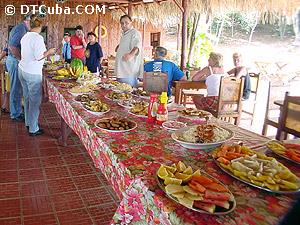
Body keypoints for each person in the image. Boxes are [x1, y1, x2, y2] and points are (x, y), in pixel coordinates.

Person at [18, 15, 56, 136]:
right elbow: (39, 56)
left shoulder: (25, 36)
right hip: (32, 73)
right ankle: (33, 128)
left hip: (22, 70)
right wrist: (49, 52)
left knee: (27, 98)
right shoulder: (37, 38)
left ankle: (29, 122)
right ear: (39, 26)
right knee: (34, 101)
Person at [6, 13, 32, 122]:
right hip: (15, 61)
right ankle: (15, 114)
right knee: (15, 88)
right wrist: (22, 59)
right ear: (28, 21)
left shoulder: (21, 28)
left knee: (17, 88)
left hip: (14, 60)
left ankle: (17, 111)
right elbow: (12, 46)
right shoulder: (21, 29)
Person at [115, 15, 143, 87]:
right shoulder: (124, 34)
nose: (124, 25)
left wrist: (131, 54)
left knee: (129, 93)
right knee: (120, 93)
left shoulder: (134, 33)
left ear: (131, 23)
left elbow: (137, 46)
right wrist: (119, 47)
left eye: (126, 23)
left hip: (128, 71)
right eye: (122, 23)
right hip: (121, 70)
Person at [0, 48, 9, 113]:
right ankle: (5, 106)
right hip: (10, 71)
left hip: (9, 70)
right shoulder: (8, 48)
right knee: (9, 89)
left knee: (9, 89)